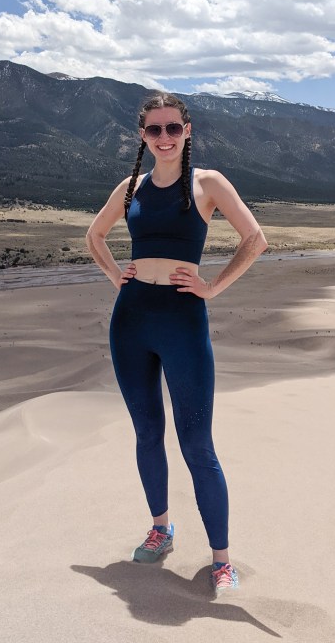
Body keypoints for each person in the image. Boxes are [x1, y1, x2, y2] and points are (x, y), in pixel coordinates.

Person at [86, 92, 268, 595]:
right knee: (147, 433)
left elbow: (255, 239)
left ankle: (221, 561)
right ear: (142, 136)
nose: (163, 137)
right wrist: (114, 277)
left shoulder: (207, 183)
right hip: (131, 320)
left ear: (188, 130)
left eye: (172, 128)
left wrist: (213, 287)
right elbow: (94, 236)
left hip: (183, 320)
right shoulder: (131, 187)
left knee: (197, 445)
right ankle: (161, 530)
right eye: (153, 130)